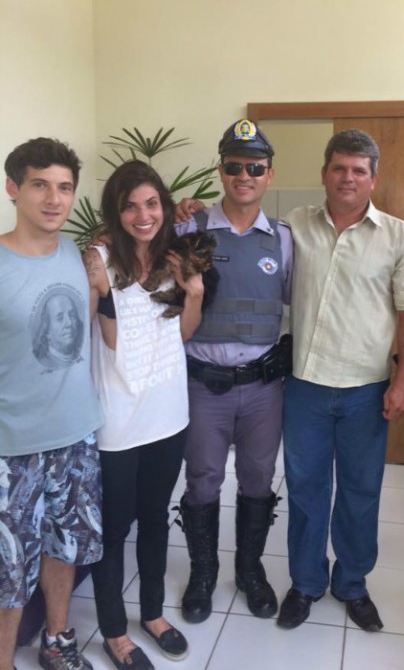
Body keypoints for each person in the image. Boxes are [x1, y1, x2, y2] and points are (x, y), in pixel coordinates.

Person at [275, 129, 404, 633]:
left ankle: (353, 584)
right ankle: (306, 583)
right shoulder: (294, 226)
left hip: (366, 388)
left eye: (359, 170)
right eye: (339, 168)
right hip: (305, 386)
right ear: (324, 174)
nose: (348, 178)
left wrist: (403, 380)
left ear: (373, 178)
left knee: (361, 491)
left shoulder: (400, 236)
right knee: (305, 489)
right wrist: (187, 211)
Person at [83, 161, 204, 670]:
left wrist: (193, 293)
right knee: (114, 527)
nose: (143, 214)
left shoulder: (174, 258)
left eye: (151, 203)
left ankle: (152, 614)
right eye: (131, 204)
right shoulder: (98, 258)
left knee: (155, 518)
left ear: (164, 207)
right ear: (117, 209)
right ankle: (114, 630)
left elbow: (182, 334)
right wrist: (101, 288)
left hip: (168, 412)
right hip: (117, 417)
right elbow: (102, 338)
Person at [174, 119, 292, 624]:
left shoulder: (283, 240)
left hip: (263, 386)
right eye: (234, 166)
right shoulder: (187, 230)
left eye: (255, 168)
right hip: (204, 384)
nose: (244, 175)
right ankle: (203, 573)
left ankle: (249, 570)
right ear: (220, 170)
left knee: (259, 479)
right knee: (201, 480)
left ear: (269, 174)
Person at [1, 137, 104, 670]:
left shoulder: (75, 253)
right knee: (8, 568)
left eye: (65, 188)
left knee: (65, 548)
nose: (54, 199)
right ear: (13, 188)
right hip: (11, 448)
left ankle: (59, 640)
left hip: (77, 435)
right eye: (40, 184)